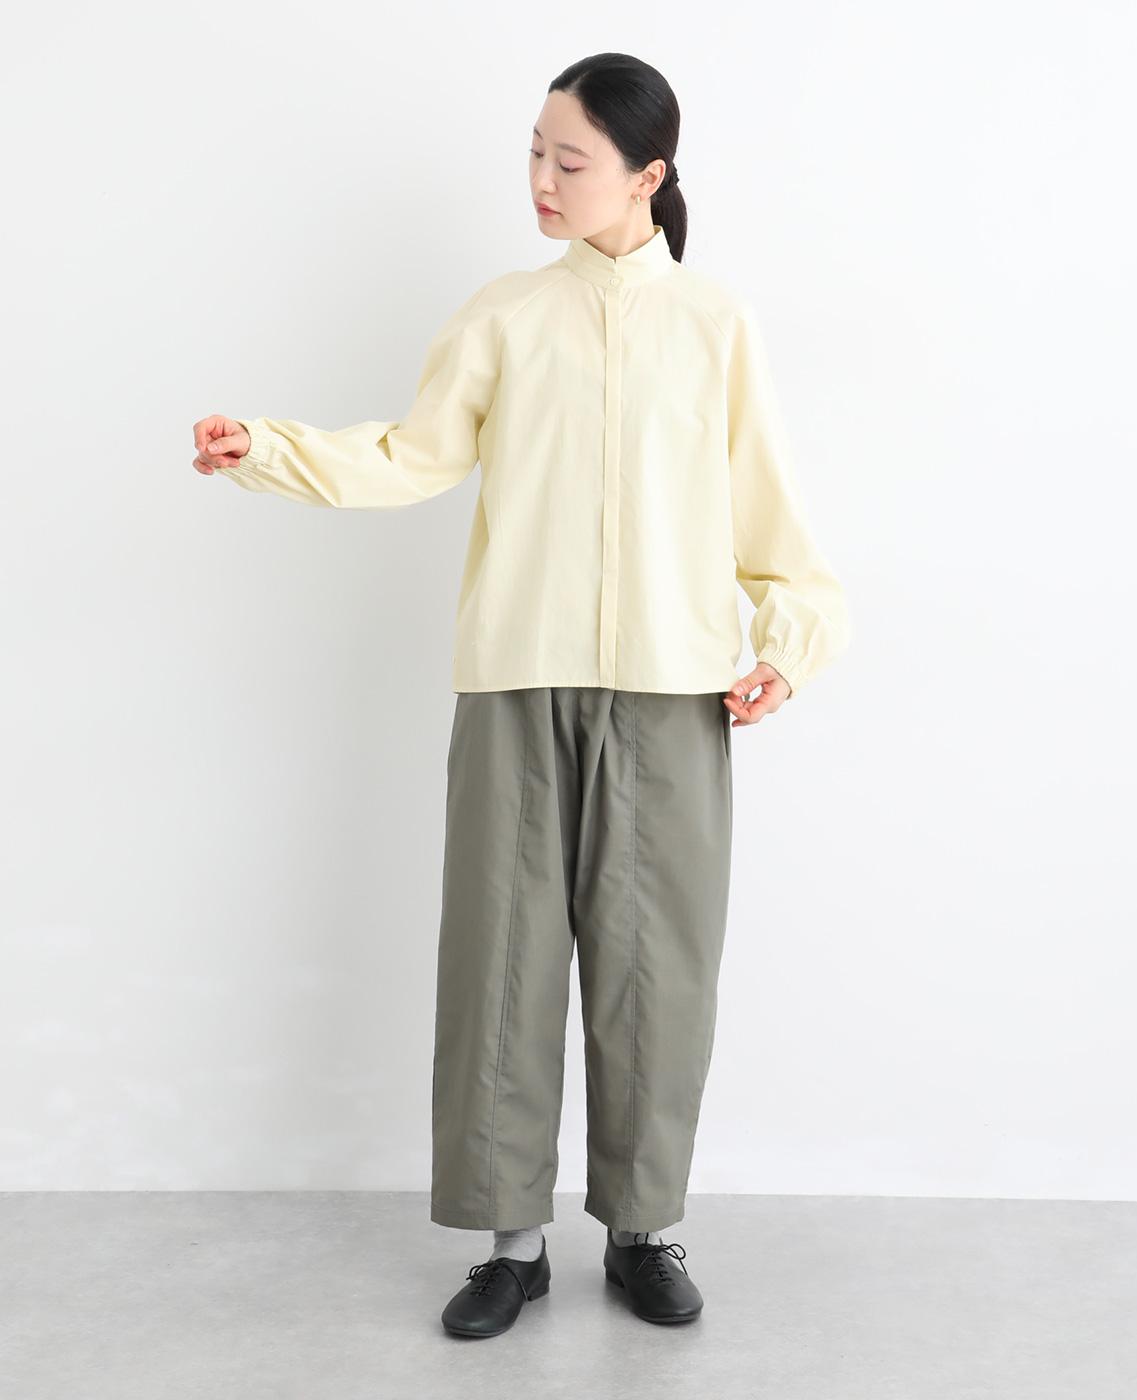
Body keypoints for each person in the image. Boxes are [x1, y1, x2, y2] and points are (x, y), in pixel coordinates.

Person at [191, 52, 851, 1339]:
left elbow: (775, 523)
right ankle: (513, 1245)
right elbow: (410, 454)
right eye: (535, 152)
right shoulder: (502, 316)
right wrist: (266, 449)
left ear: (648, 176)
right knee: (501, 963)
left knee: (657, 972)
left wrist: (789, 645)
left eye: (571, 159)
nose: (543, 179)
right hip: (513, 685)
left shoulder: (715, 325)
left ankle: (643, 1230)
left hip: (672, 693)